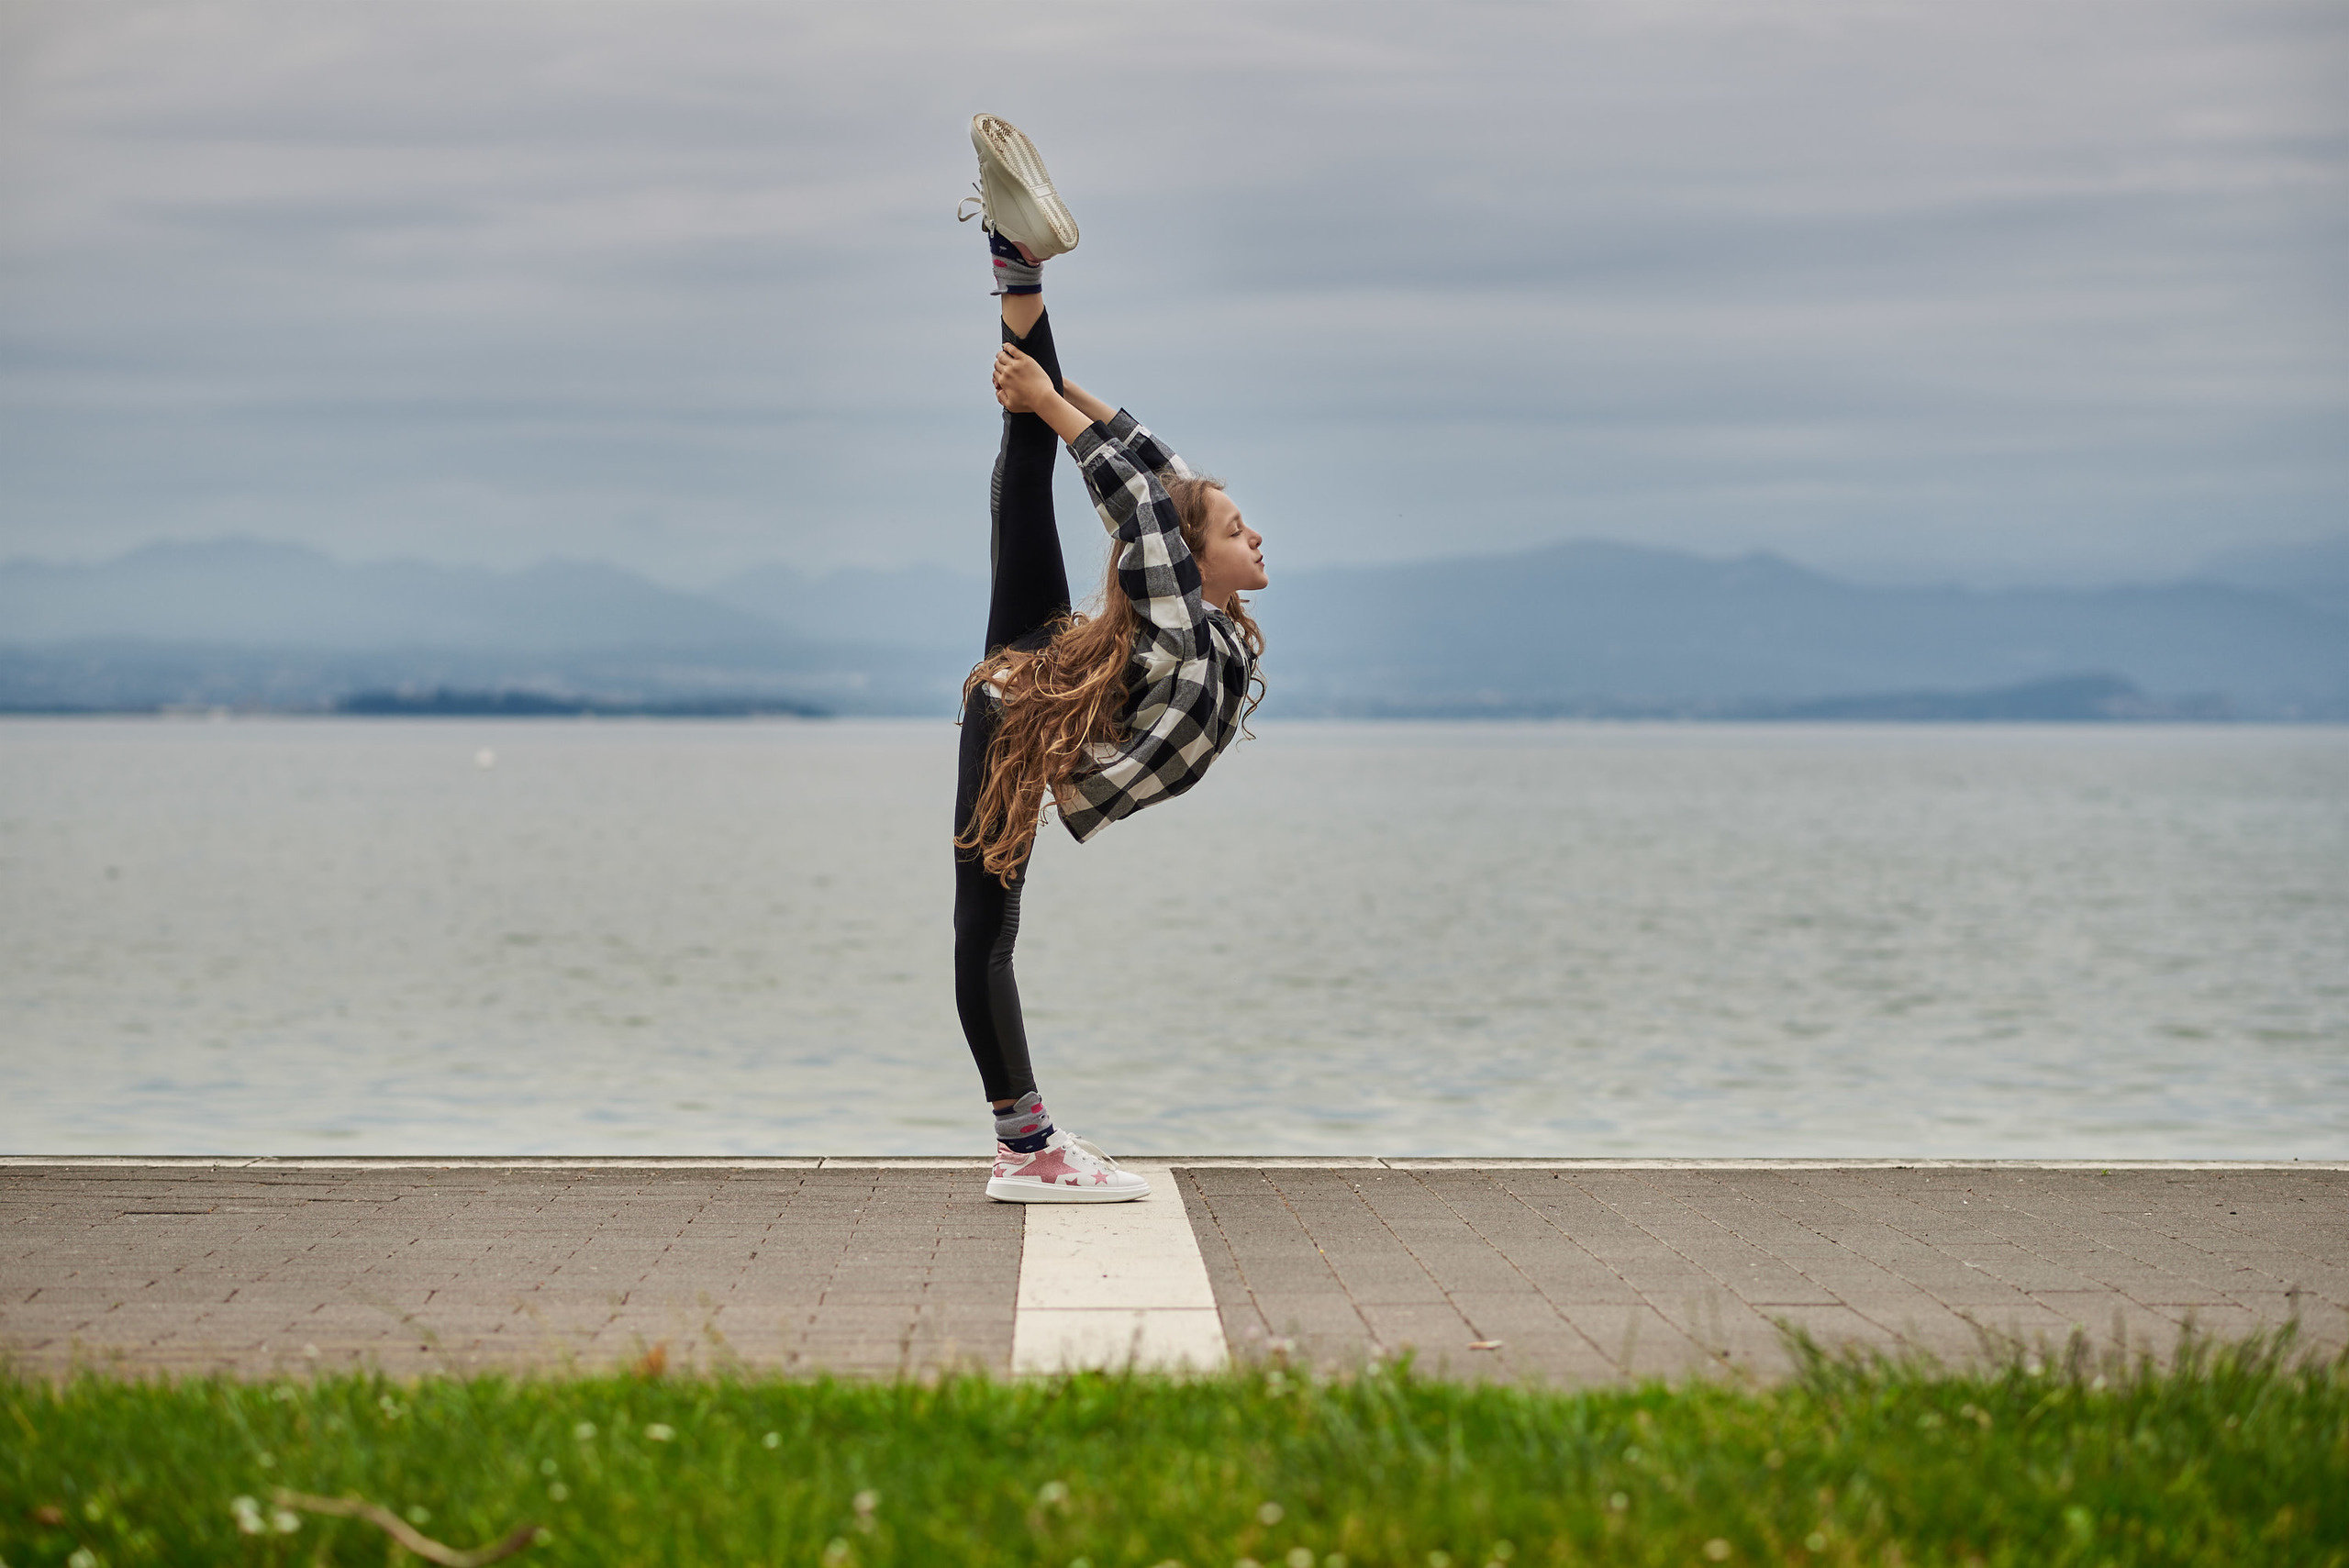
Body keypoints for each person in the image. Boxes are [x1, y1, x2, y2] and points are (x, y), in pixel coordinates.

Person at [952, 114, 1268, 1204]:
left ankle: (1015, 265)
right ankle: (1026, 1148)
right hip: (1026, 704)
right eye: (1237, 531)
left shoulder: (1204, 626)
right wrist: (1046, 398)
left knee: (1031, 447)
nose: (1254, 535)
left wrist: (1058, 390)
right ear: (1201, 563)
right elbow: (1143, 502)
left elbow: (1155, 465)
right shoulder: (1184, 622)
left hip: (1039, 668)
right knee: (986, 925)